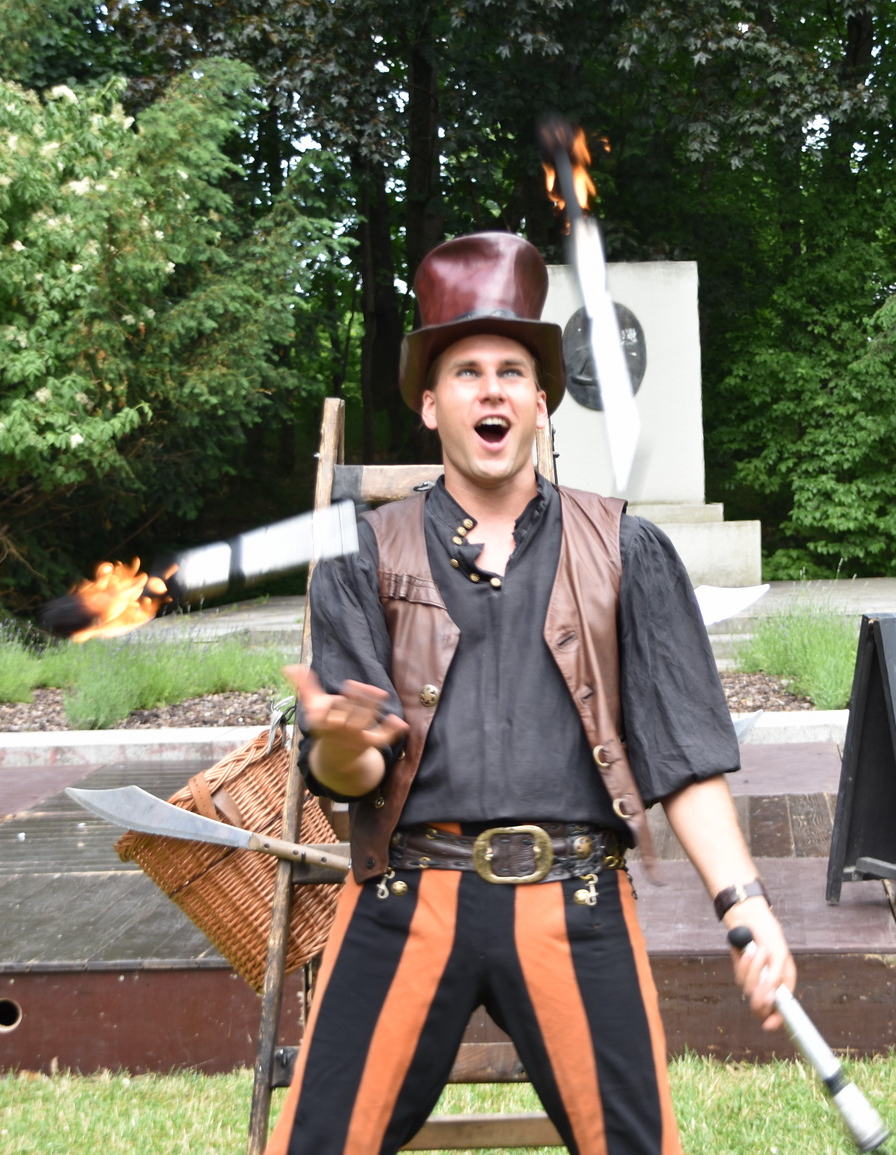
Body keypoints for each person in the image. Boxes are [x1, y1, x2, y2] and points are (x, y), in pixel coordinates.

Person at [269, 232, 793, 1155]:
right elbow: (349, 776)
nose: (492, 389)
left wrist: (744, 904)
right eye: (465, 371)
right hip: (405, 893)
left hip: (573, 895)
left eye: (512, 369)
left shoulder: (626, 548)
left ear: (540, 400)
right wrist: (343, 741)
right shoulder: (362, 551)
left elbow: (685, 754)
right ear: (431, 405)